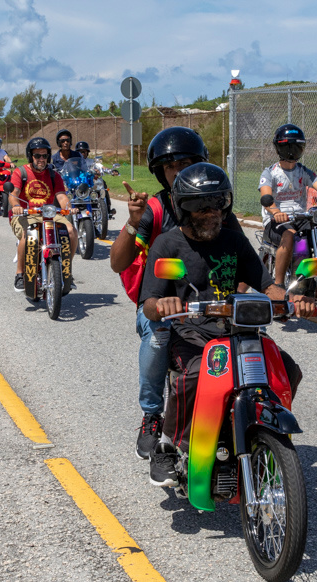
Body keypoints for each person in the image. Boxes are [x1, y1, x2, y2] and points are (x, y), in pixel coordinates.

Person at [139, 162, 316, 486]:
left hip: (239, 331)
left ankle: (262, 429)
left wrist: (292, 300)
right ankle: (168, 446)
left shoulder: (234, 241)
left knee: (287, 369)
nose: (213, 214)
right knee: (194, 377)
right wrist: (163, 304)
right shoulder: (167, 245)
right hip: (192, 333)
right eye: (202, 206)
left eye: (218, 205)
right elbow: (148, 302)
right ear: (184, 208)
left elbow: (267, 286)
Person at [110, 126, 247, 460]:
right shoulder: (155, 210)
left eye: (185, 163)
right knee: (158, 337)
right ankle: (152, 415)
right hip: (160, 303)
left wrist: (239, 297)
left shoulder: (216, 207)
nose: (177, 171)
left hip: (210, 302)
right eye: (170, 166)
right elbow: (118, 263)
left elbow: (243, 261)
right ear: (160, 172)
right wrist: (133, 222)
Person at [259, 124, 317, 287]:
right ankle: (279, 285)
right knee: (290, 236)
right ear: (279, 148)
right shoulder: (270, 173)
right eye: (287, 147)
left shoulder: (303, 171)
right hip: (276, 220)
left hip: (300, 217)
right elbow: (265, 196)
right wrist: (276, 212)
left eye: (296, 147)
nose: (292, 151)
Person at [8, 137, 77, 292]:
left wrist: (68, 207)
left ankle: (66, 272)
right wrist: (17, 206)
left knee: (71, 231)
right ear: (30, 156)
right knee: (28, 234)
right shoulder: (21, 172)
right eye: (37, 155)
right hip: (25, 214)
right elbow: (14, 194)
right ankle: (20, 274)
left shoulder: (54, 175)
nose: (41, 159)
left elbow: (61, 196)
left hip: (49, 213)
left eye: (44, 155)